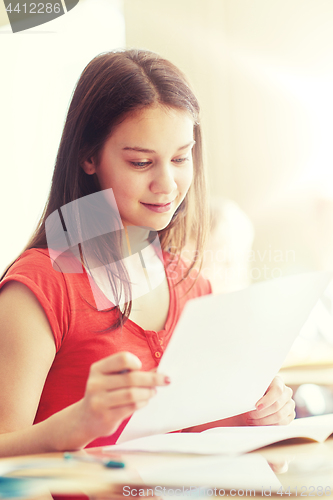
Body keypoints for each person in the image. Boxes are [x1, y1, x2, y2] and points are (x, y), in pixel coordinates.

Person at [0, 49, 295, 457]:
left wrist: (250, 416)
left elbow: (186, 437)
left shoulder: (191, 283)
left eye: (180, 158)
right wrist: (77, 424)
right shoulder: (40, 287)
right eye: (141, 163)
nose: (167, 184)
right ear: (89, 157)